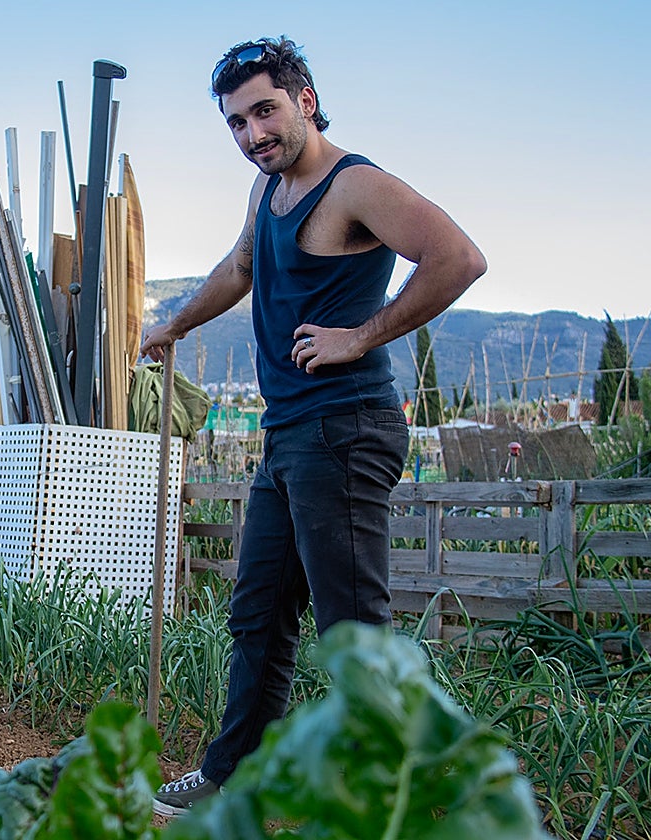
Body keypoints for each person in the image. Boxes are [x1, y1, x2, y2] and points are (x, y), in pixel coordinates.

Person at [141, 37, 486, 816]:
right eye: (235, 123)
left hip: (347, 428)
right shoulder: (266, 193)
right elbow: (238, 268)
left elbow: (458, 258)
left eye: (264, 111)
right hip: (290, 436)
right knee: (258, 613)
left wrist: (361, 335)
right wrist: (175, 326)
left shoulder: (353, 183)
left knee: (353, 629)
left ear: (304, 98)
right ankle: (234, 777)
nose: (252, 134)